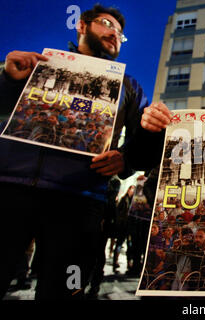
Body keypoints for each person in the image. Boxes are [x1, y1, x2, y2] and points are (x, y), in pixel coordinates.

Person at [0, 4, 155, 300]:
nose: (115, 34)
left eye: (121, 34)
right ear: (81, 26)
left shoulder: (129, 87)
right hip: (9, 190)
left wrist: (127, 158)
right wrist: (7, 81)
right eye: (107, 24)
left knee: (68, 289)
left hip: (79, 203)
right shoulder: (33, 67)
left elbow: (143, 139)